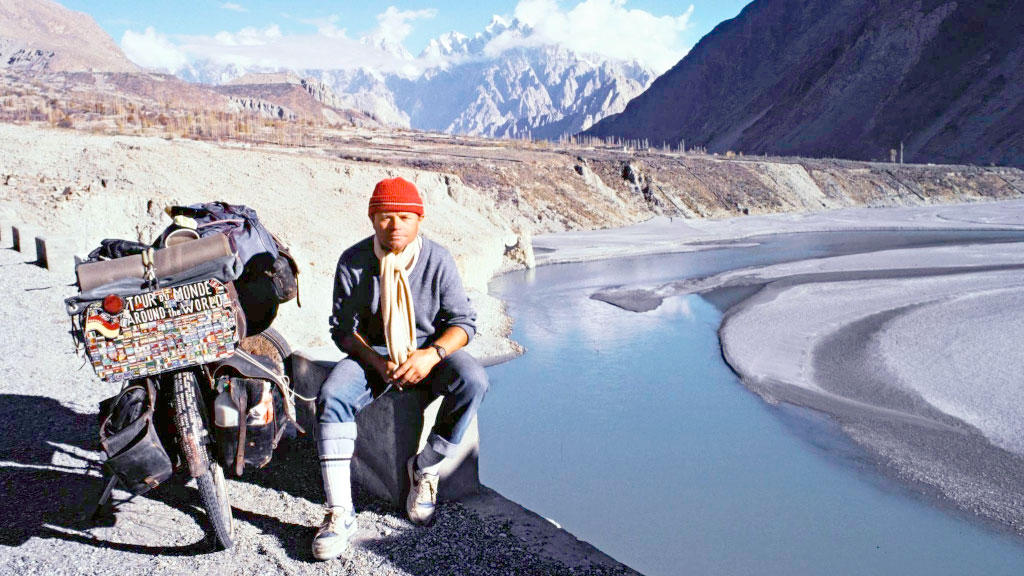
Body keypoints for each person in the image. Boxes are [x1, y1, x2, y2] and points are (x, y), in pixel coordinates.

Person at [312, 176, 489, 561]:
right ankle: (339, 511)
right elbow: (343, 330)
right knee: (331, 397)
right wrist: (377, 361)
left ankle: (424, 468)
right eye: (386, 217)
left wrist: (430, 356)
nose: (395, 226)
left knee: (473, 380)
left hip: (428, 350)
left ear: (419, 220)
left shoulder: (437, 259)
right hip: (373, 356)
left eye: (405, 217)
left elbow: (464, 323)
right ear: (373, 218)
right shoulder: (353, 261)